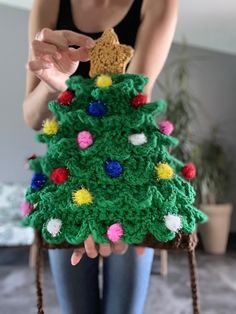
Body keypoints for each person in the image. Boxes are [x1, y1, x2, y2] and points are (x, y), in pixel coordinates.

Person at [23, 1, 178, 313]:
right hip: (67, 177)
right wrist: (55, 83)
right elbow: (33, 116)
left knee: (124, 308)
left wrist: (99, 196)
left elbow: (131, 104)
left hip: (131, 181)